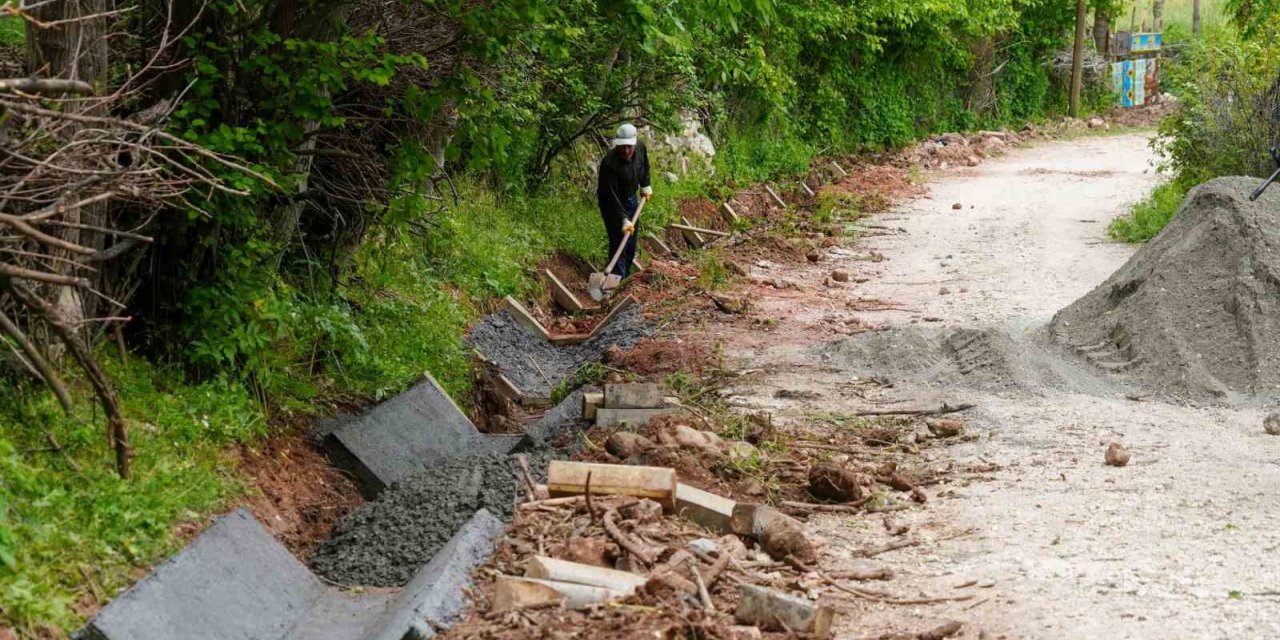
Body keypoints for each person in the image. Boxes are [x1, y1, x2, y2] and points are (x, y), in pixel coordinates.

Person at [596, 123, 652, 281]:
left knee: (631, 243)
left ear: (634, 143)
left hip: (631, 199)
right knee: (618, 241)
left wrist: (645, 184)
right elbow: (610, 195)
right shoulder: (609, 164)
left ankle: (625, 277)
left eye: (629, 146)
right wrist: (622, 219)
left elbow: (644, 166)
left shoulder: (640, 148)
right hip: (611, 204)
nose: (625, 151)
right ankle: (616, 281)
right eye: (622, 147)